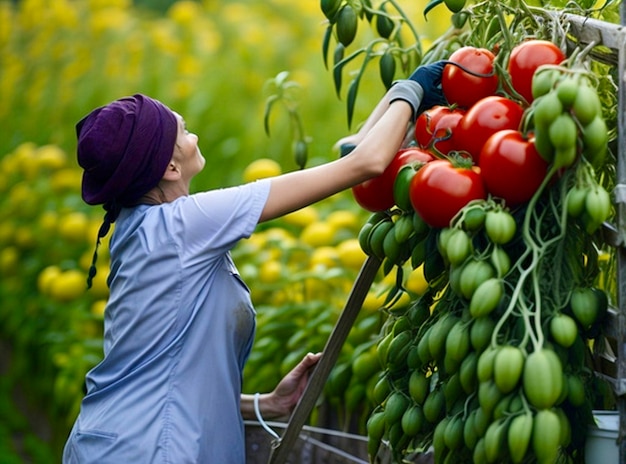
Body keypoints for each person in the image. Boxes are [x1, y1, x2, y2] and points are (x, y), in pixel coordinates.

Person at [61, 62, 446, 463]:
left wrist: (265, 405)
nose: (193, 136)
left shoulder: (139, 227)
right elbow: (363, 164)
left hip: (110, 441)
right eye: (184, 132)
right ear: (171, 167)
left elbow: (157, 373)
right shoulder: (185, 225)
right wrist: (411, 88)